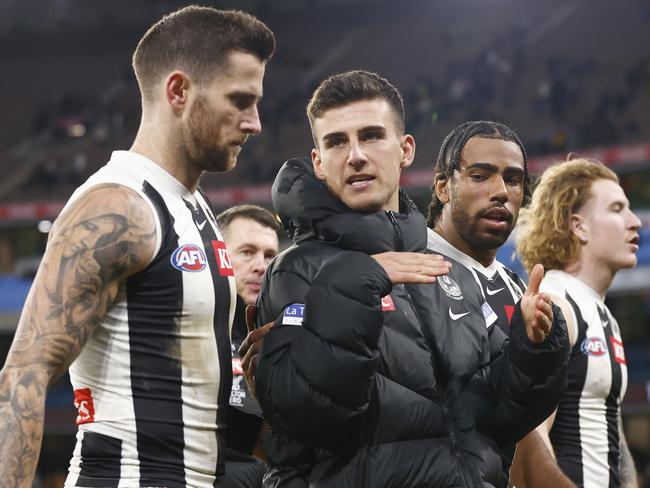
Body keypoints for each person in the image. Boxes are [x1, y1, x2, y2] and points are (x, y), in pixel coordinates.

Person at [249, 70, 569, 487]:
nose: (356, 155)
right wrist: (353, 285)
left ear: (405, 150)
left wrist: (533, 349)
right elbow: (311, 418)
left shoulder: (444, 267)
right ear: (318, 163)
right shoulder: (296, 270)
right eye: (336, 142)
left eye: (371, 136)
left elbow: (494, 421)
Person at [0, 6, 275, 487]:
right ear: (178, 91)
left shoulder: (193, 204)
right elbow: (24, 374)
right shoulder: (117, 207)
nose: (254, 122)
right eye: (239, 100)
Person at [426, 120, 577, 487]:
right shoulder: (408, 271)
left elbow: (517, 427)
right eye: (480, 176)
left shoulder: (517, 291)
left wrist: (536, 349)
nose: (500, 192)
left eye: (513, 180)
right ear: (443, 186)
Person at [515, 158, 640, 488]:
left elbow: (613, 435)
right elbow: (527, 438)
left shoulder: (602, 314)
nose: (634, 221)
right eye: (617, 209)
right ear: (578, 226)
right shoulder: (558, 303)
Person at [216, 204, 280, 487]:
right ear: (217, 255)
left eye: (270, 255)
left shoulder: (283, 336)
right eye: (247, 252)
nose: (261, 265)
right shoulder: (182, 326)